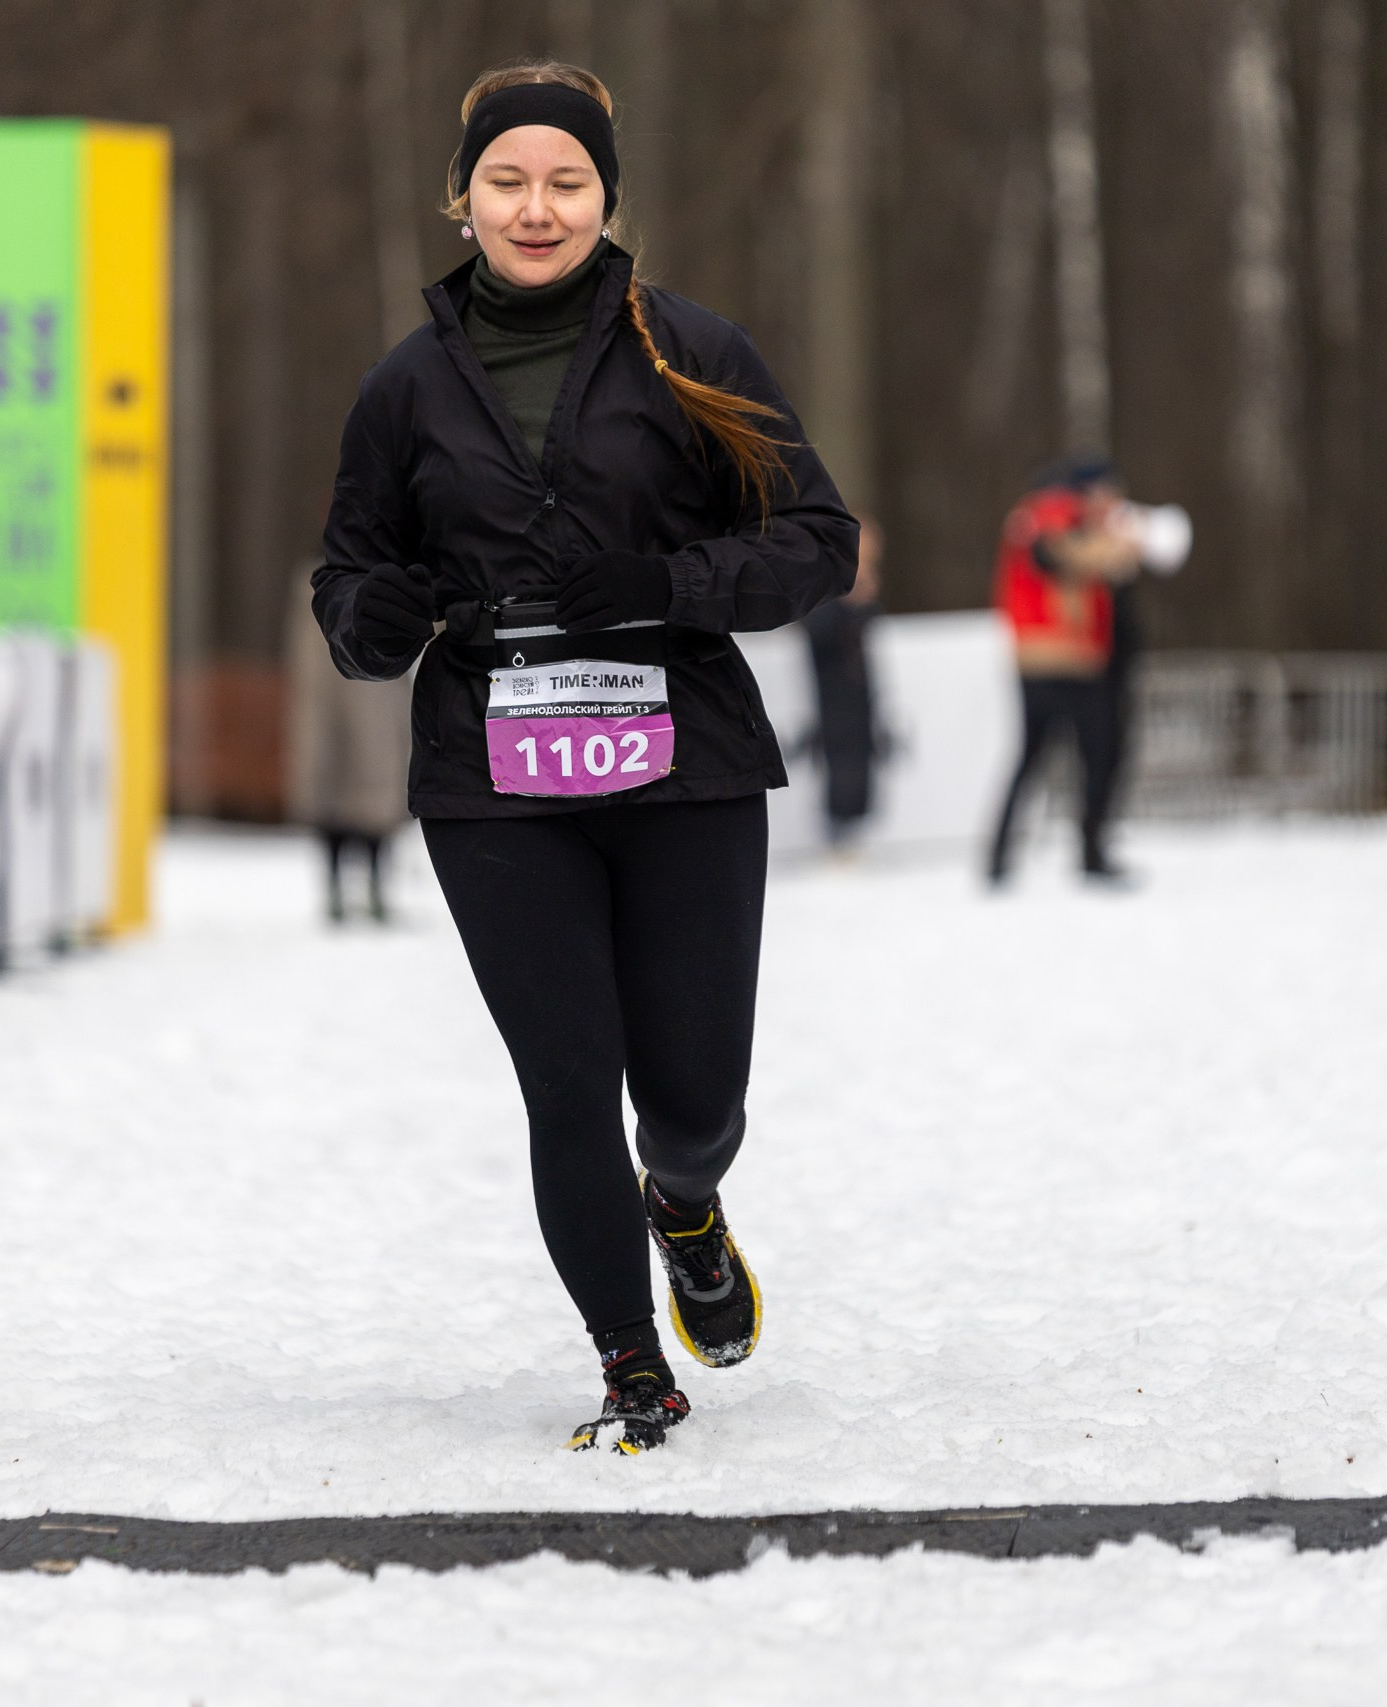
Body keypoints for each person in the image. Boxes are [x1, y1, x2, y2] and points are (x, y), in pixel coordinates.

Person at [311, 61, 856, 1453]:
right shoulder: (406, 387)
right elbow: (354, 584)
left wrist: (668, 583)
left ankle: (686, 1198)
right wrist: (376, 616)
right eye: (508, 181)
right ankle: (631, 1365)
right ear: (463, 196)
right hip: (497, 784)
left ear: (609, 197)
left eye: (565, 182)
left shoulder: (694, 352)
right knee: (568, 1079)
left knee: (690, 1097)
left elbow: (817, 540)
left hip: (684, 767)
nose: (535, 208)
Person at [986, 459, 1142, 884]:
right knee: (1092, 756)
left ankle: (999, 856)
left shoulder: (1031, 517)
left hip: (1048, 656)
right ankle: (1089, 853)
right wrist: (1115, 547)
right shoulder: (1052, 511)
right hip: (1065, 658)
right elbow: (1058, 553)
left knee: (1033, 758)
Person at [286, 566, 413, 922]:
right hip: (342, 703)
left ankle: (370, 890)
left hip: (368, 695)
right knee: (342, 794)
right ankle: (339, 891)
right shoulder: (312, 589)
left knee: (371, 795)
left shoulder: (319, 587)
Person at [803, 520, 885, 848]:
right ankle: (838, 825)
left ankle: (853, 822)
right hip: (834, 693)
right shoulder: (826, 588)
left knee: (860, 757)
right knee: (841, 758)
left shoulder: (859, 591)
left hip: (857, 690)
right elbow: (818, 630)